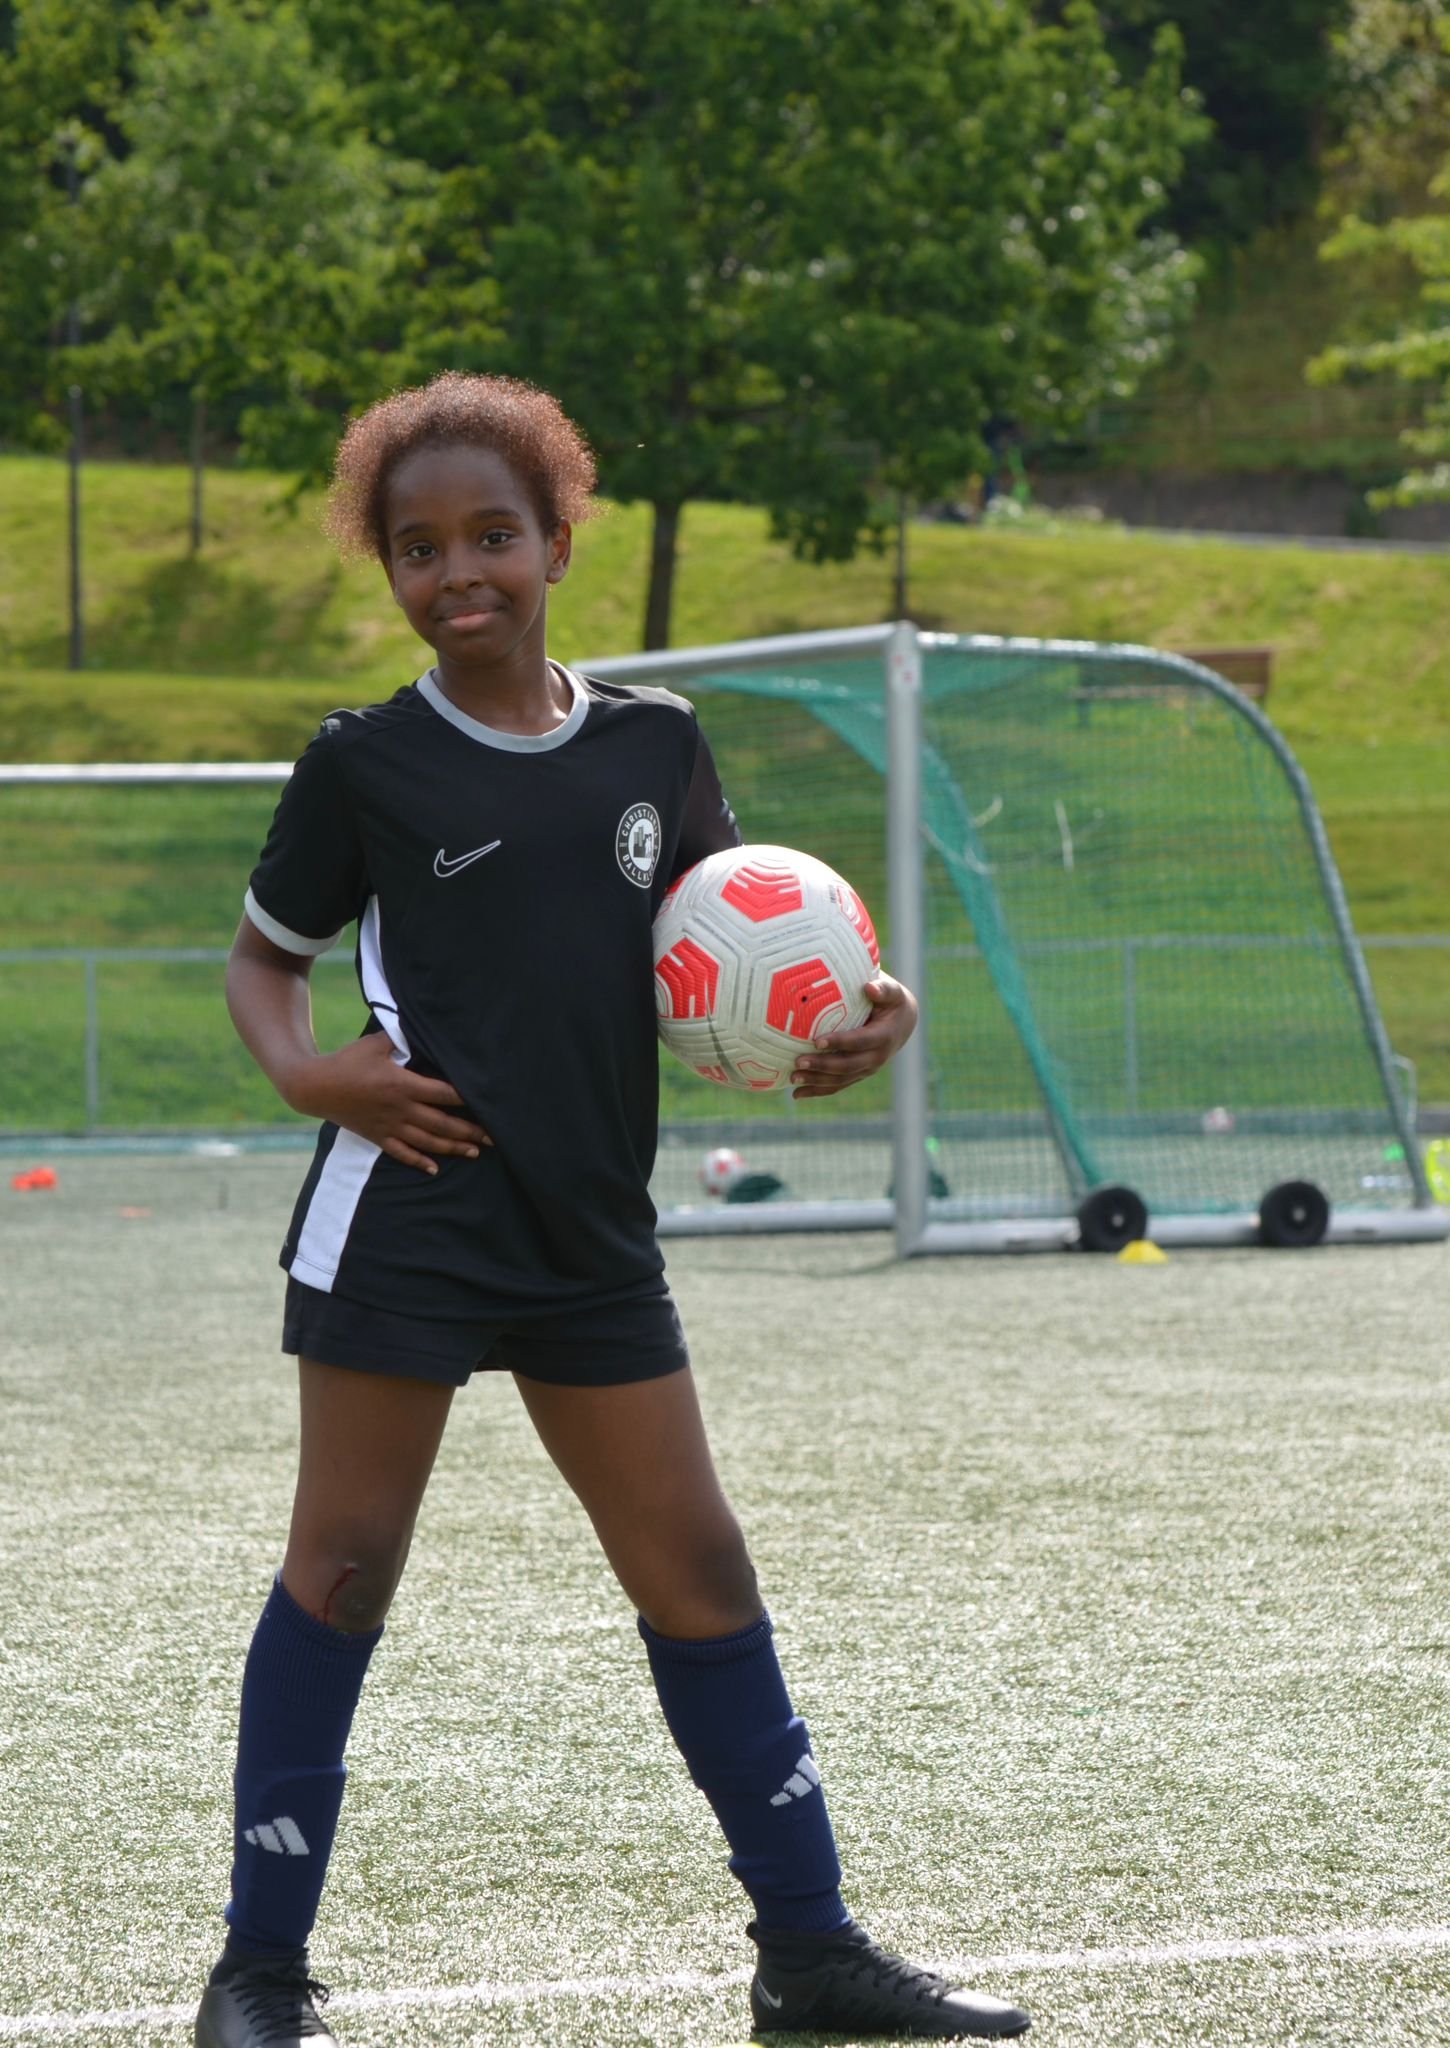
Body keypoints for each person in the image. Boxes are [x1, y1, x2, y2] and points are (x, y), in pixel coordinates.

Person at [196, 371, 1031, 2048]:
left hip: (589, 1233)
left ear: (557, 541)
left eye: (491, 535)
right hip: (411, 1212)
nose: (459, 572)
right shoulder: (362, 764)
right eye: (418, 548)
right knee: (344, 1570)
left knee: (698, 1567)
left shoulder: (658, 744)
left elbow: (747, 933)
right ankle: (257, 1978)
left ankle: (808, 1955)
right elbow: (262, 963)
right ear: (390, 569)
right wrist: (307, 1076)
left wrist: (864, 1016)